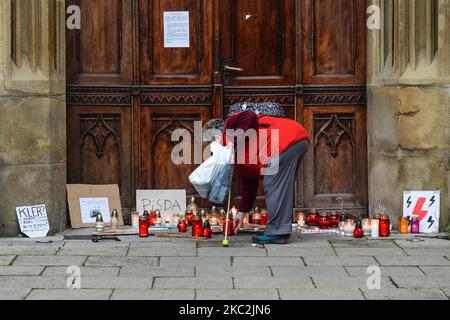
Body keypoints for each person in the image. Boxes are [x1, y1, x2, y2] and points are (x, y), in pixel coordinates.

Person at [224, 111, 310, 244]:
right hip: (295, 138)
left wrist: (233, 141)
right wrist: (242, 212)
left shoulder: (228, 130)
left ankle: (277, 232)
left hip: (285, 140)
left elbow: (249, 115)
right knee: (280, 187)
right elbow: (249, 183)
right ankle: (279, 230)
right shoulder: (237, 159)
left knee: (273, 184)